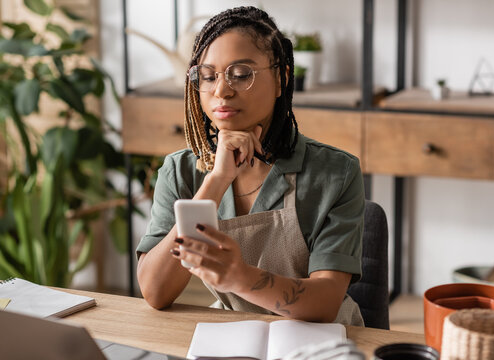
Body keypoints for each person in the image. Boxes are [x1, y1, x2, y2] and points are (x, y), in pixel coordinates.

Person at [136, 6, 365, 326]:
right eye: (208, 76)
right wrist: (216, 180)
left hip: (324, 340)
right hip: (234, 334)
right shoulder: (182, 171)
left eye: (241, 74)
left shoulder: (335, 173)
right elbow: (155, 291)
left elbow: (326, 302)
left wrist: (240, 277)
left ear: (282, 77)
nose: (221, 91)